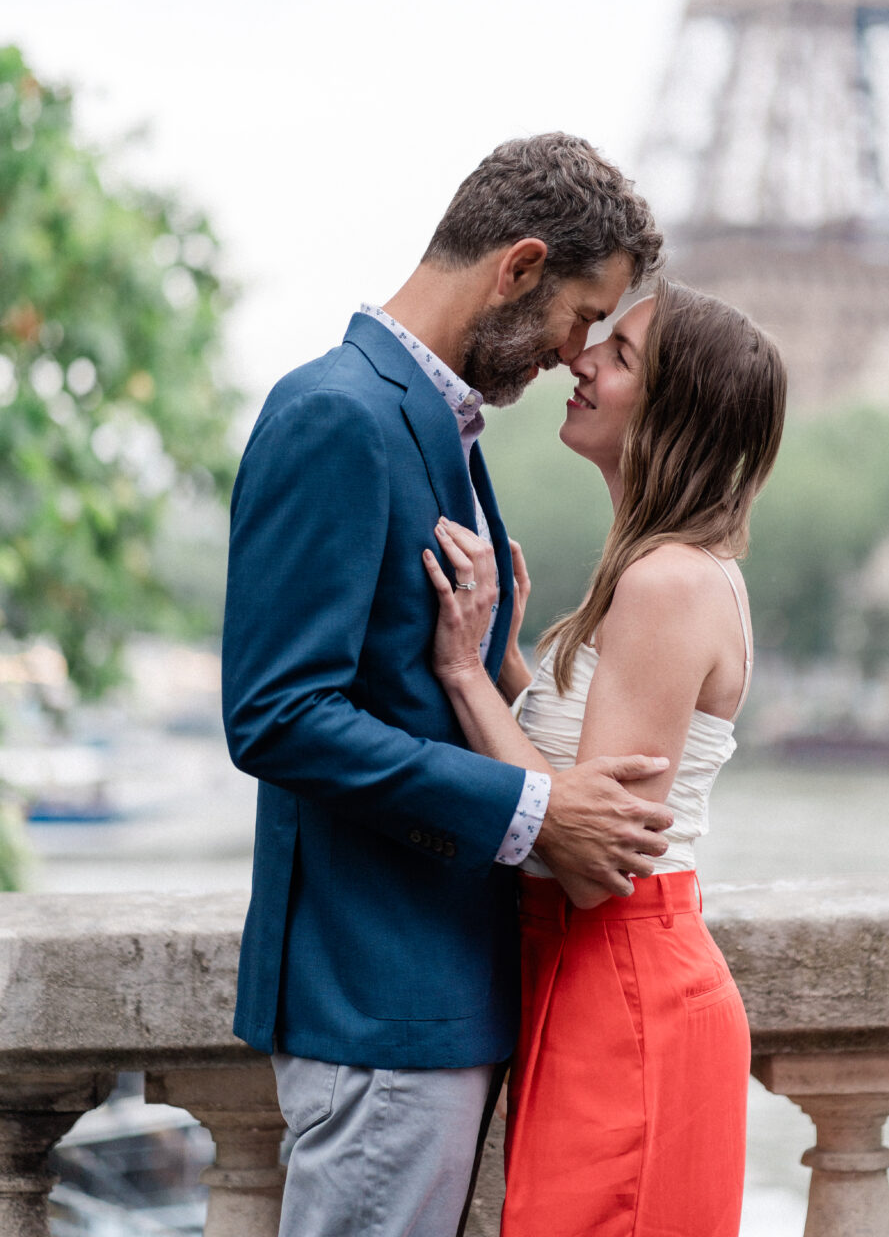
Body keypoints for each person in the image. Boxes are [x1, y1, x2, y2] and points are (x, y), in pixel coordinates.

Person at [221, 131, 670, 1237]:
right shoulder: (337, 412)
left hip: (426, 991)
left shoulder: (434, 423)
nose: (578, 354)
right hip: (377, 1000)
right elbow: (278, 714)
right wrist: (532, 809)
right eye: (581, 314)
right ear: (518, 265)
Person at [423, 279, 787, 1237]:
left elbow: (591, 864)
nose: (581, 360)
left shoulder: (667, 584)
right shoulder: (659, 570)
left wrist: (463, 672)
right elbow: (575, 779)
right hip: (593, 977)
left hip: (620, 975)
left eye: (619, 355)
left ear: (673, 411)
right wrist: (510, 666)